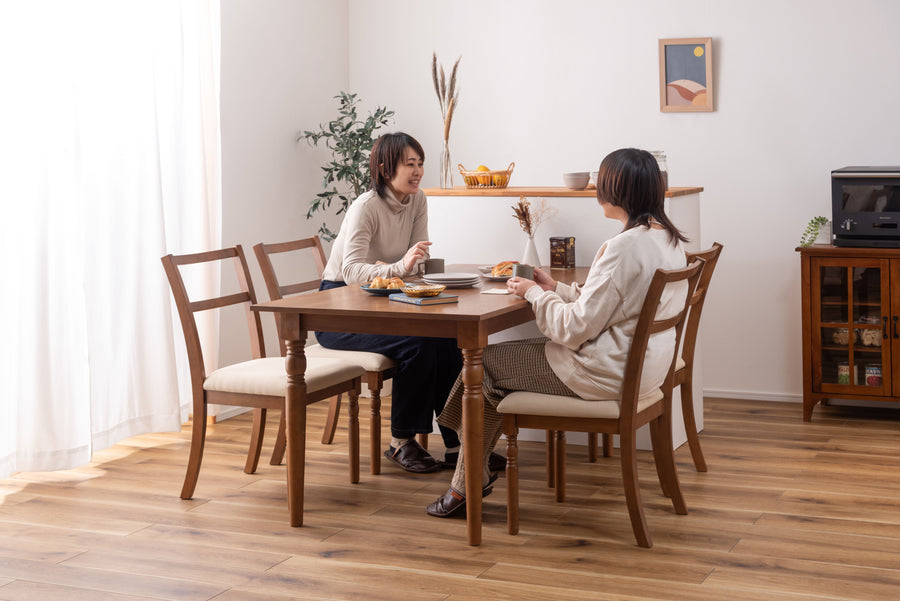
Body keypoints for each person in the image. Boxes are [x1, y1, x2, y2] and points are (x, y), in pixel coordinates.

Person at [426, 147, 689, 517]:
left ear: (619, 189)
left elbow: (575, 328)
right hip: (641, 369)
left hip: (605, 371)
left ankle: (465, 480)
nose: (598, 187)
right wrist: (554, 289)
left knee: (480, 366)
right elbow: (609, 306)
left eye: (603, 181)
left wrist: (533, 293)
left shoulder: (622, 248)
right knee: (490, 369)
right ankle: (471, 468)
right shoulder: (666, 240)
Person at [317, 132, 463, 474]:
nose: (417, 171)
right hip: (337, 308)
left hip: (380, 299)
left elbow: (415, 262)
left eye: (420, 164)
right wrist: (397, 267)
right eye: (408, 164)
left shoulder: (417, 200)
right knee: (418, 345)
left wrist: (409, 270)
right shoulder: (365, 207)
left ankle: (457, 446)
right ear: (385, 169)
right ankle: (400, 443)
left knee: (449, 341)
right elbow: (352, 271)